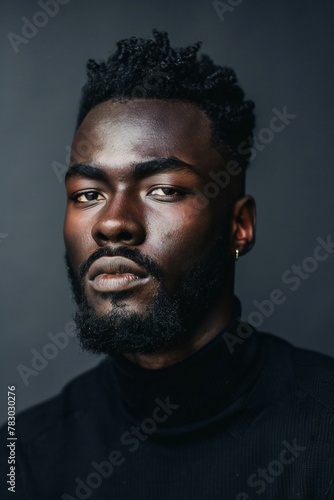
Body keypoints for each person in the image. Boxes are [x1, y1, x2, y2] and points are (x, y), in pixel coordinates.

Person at [1, 30, 333, 500]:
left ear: (239, 226)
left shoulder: (323, 434)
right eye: (87, 195)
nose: (112, 223)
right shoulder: (23, 458)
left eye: (164, 190)